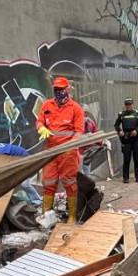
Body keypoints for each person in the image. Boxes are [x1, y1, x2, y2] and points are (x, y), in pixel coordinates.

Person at [36, 77, 84, 224]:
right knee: (48, 183)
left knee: (69, 183)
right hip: (51, 152)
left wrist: (71, 145)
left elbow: (79, 131)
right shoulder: (47, 105)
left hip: (68, 153)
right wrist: (41, 128)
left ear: (67, 89)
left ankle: (72, 216)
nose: (58, 92)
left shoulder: (75, 108)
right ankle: (46, 216)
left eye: (61, 89)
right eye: (56, 89)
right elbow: (39, 121)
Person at [0, 141, 42, 205]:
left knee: (24, 184)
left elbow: (5, 164)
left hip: (23, 159)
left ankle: (37, 200)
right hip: (19, 159)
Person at [115, 97, 138, 183]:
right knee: (126, 158)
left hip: (136, 138)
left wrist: (137, 130)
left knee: (137, 158)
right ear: (125, 105)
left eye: (130, 104)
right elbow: (116, 125)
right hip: (126, 139)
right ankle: (126, 178)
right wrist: (119, 131)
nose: (128, 106)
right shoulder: (121, 114)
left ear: (133, 104)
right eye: (127, 104)